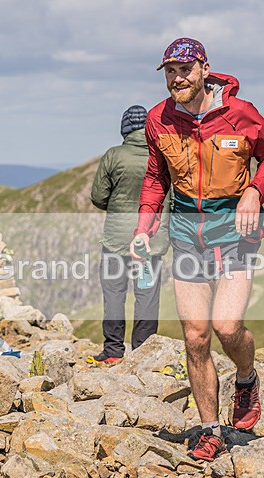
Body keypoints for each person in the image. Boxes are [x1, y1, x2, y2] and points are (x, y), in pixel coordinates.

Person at [130, 37, 264, 461]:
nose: (177, 78)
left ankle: (246, 377)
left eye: (185, 70)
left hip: (234, 235)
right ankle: (210, 428)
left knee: (226, 328)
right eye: (170, 72)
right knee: (196, 336)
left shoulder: (240, 114)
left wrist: (256, 190)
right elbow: (155, 178)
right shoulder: (158, 119)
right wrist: (145, 226)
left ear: (204, 69)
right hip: (186, 235)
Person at [90, 105, 170, 364]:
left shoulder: (114, 155)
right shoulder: (164, 156)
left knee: (114, 292)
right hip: (151, 239)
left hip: (116, 239)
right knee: (146, 294)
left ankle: (113, 351)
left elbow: (98, 196)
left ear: (124, 129)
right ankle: (143, 353)